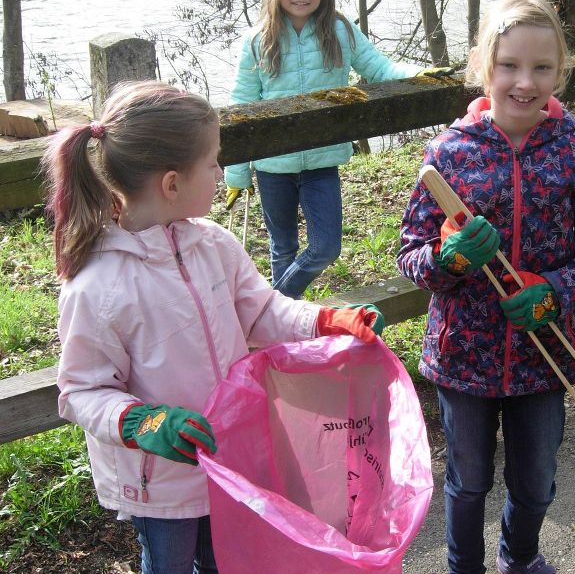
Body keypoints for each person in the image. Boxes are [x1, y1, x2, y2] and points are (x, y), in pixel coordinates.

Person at [46, 81, 385, 574]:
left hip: (233, 461)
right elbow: (81, 390)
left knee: (231, 561)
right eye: (212, 162)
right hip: (160, 483)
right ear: (171, 184)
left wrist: (324, 321)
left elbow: (263, 312)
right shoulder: (99, 287)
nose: (221, 173)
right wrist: (144, 423)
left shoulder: (214, 246)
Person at [396, 0, 575, 574]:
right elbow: (409, 255)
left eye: (542, 68)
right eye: (509, 66)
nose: (525, 82)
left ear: (561, 71)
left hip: (545, 351)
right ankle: (462, 567)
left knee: (536, 479)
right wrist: (448, 260)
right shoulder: (448, 153)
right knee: (468, 479)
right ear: (484, 68)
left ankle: (519, 558)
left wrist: (554, 289)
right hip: (462, 355)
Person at [225, 0, 452, 299]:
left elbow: (380, 69)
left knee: (325, 247)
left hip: (322, 160)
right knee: (281, 247)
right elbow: (241, 107)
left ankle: (269, 312)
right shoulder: (258, 40)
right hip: (272, 165)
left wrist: (419, 72)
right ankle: (286, 332)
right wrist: (236, 172)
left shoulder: (340, 30)